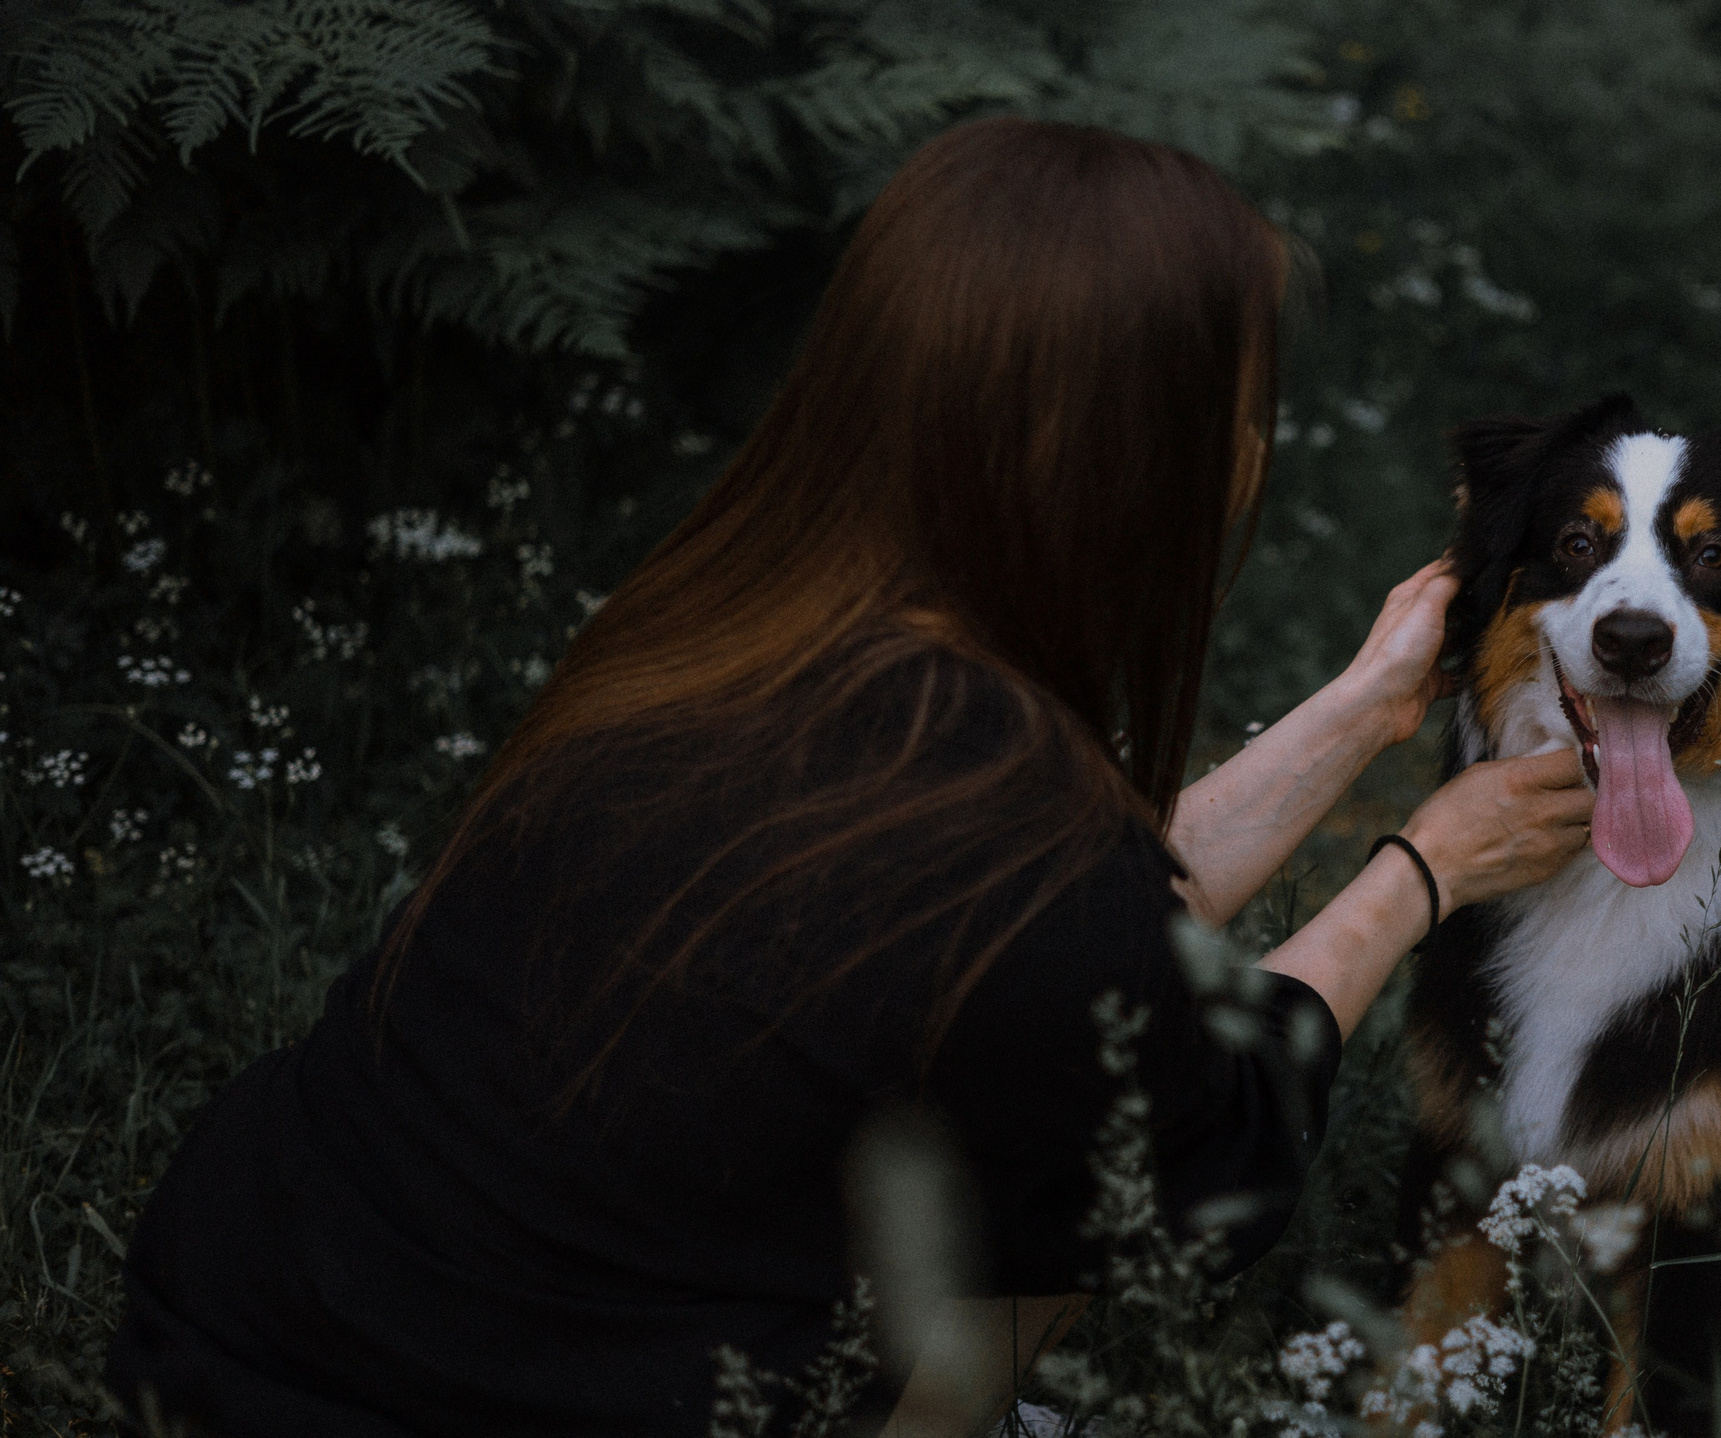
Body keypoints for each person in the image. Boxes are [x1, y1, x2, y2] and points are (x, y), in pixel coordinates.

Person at [106, 115, 1594, 1437]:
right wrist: (1421, 875)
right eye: (1244, 414)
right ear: (1144, 460)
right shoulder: (1022, 864)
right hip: (521, 1404)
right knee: (1046, 1204)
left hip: (237, 1329)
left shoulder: (715, 639)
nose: (1255, 453)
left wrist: (1365, 704)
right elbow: (1195, 1144)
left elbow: (1044, 953)